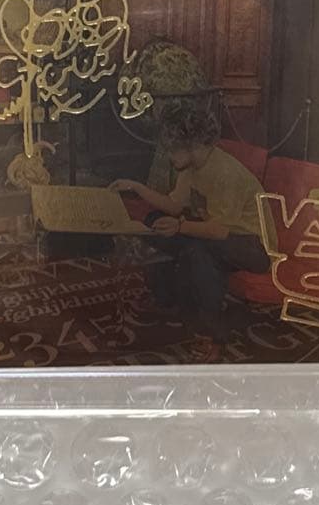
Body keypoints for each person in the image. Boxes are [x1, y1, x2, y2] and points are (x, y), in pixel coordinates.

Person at [110, 106, 270, 363]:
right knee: (155, 221)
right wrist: (136, 187)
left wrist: (180, 227)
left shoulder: (224, 172)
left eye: (172, 149)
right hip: (217, 232)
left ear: (193, 145)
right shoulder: (191, 167)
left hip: (253, 245)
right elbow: (174, 205)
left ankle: (213, 335)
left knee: (198, 252)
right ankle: (168, 298)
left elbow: (220, 231)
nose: (168, 155)